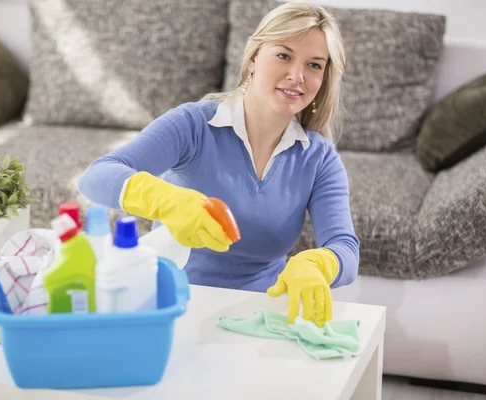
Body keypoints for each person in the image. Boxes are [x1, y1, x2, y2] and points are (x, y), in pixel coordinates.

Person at [78, 1, 359, 327]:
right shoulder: (193, 125)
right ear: (254, 58)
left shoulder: (319, 158)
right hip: (173, 305)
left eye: (314, 65)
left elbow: (346, 249)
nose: (297, 76)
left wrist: (319, 264)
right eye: (283, 55)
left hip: (259, 315)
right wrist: (166, 200)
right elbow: (96, 176)